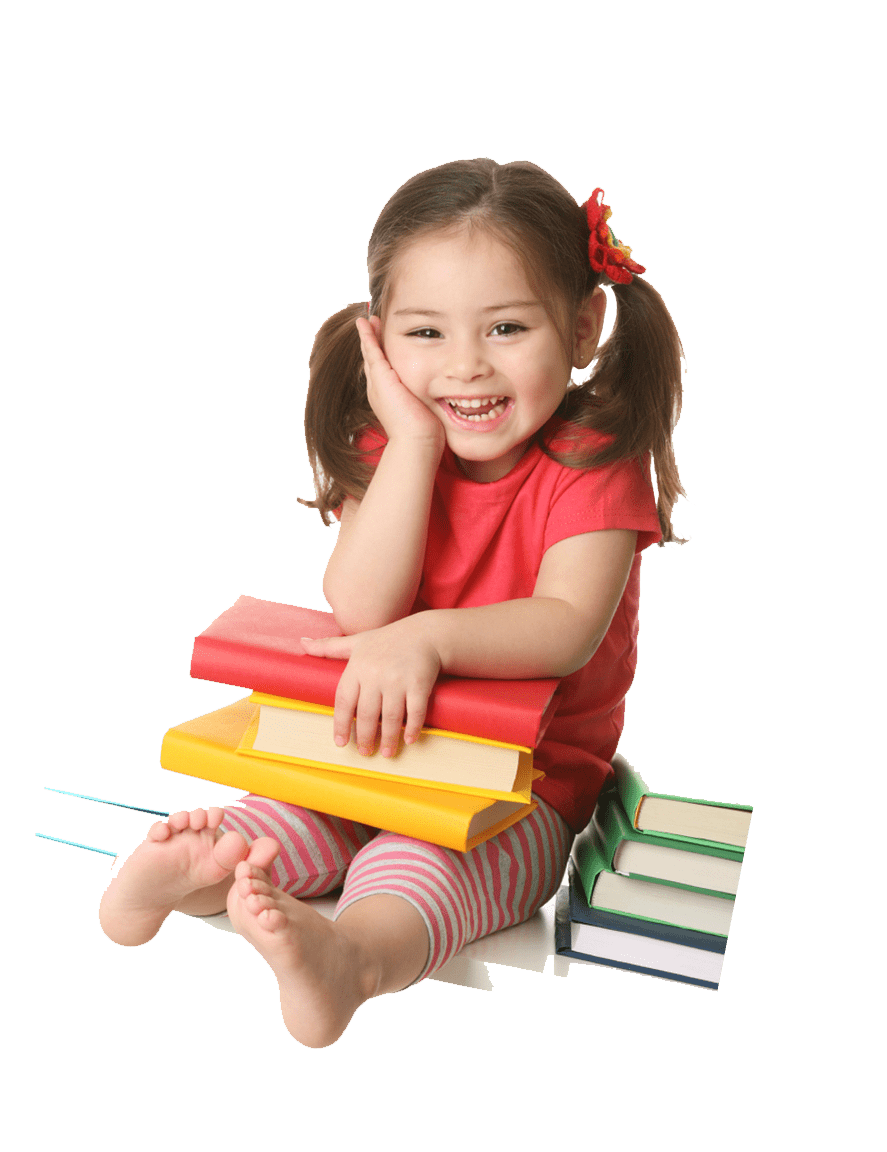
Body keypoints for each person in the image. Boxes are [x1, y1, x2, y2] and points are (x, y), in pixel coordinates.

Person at [98, 158, 687, 1047]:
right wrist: (411, 441)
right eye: (423, 333)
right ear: (379, 342)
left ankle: (352, 960)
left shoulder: (592, 460)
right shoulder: (395, 440)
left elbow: (566, 626)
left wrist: (431, 639)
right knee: (290, 816)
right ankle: (197, 872)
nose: (464, 368)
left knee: (422, 860)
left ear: (581, 326)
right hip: (374, 744)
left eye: (505, 327)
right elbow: (361, 604)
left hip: (521, 784)